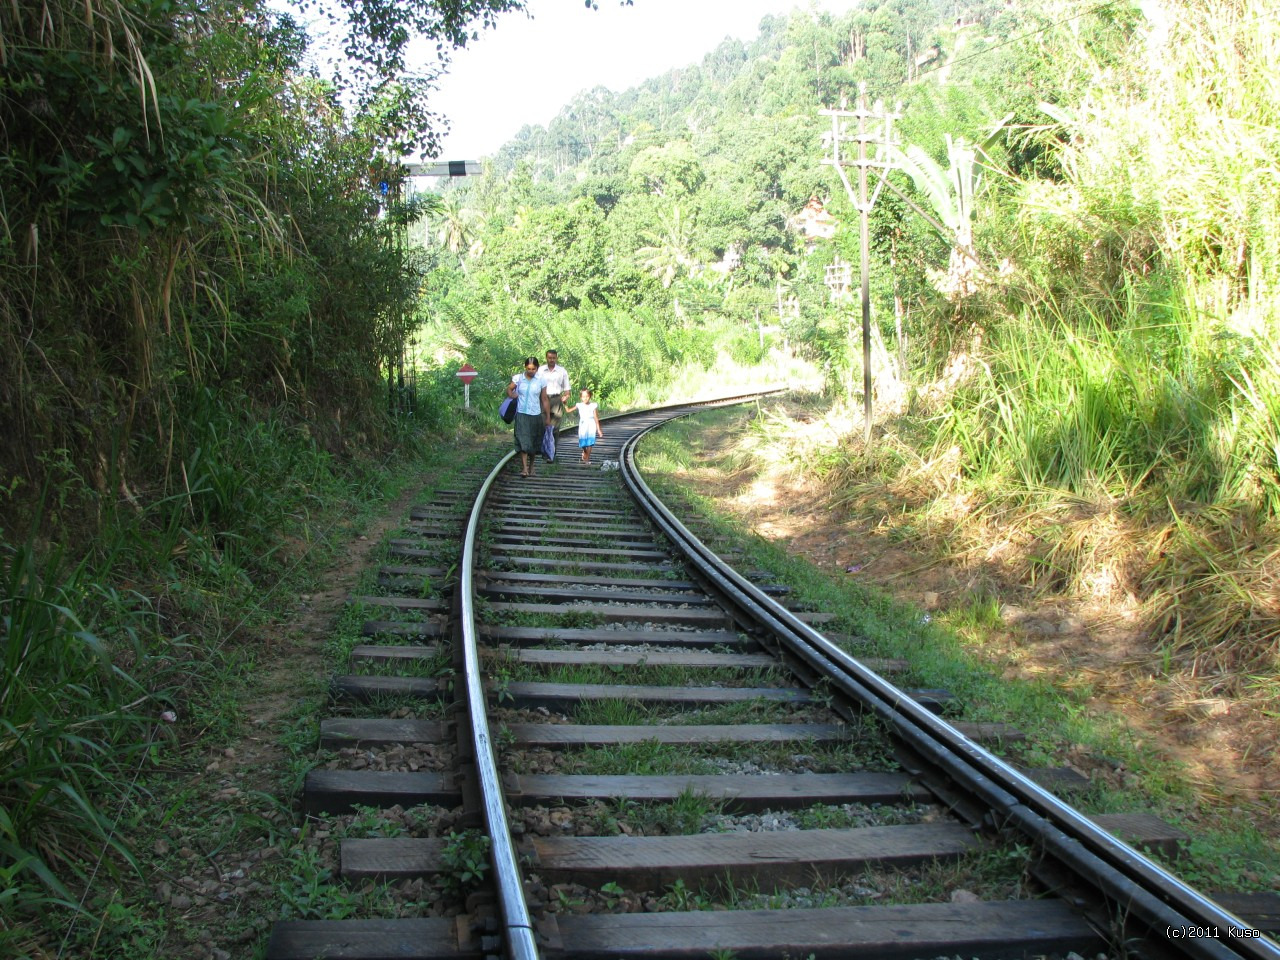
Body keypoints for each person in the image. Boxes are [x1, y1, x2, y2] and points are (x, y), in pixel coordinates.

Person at [507, 356, 551, 478]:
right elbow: (509, 389)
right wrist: (512, 395)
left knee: (534, 441)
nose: (531, 371)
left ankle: (532, 466)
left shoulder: (541, 380)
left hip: (535, 414)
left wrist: (547, 416)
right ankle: (525, 468)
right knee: (523, 440)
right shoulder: (518, 378)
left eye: (533, 369)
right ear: (525, 367)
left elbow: (544, 399)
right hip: (522, 414)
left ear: (537, 368)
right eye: (528, 368)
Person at [565, 388, 603, 464]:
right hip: (583, 425)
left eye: (587, 396)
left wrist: (598, 429)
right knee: (582, 442)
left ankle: (587, 460)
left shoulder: (593, 405)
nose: (585, 398)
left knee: (590, 442)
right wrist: (564, 404)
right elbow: (568, 410)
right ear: (581, 397)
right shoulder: (579, 405)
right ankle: (585, 451)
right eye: (583, 397)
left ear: (590, 396)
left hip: (591, 425)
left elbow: (595, 417)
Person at [537, 349, 571, 431]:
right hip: (543, 398)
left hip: (556, 399)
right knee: (542, 424)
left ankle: (554, 443)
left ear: (556, 358)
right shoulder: (540, 370)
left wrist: (566, 397)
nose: (552, 360)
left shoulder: (562, 371)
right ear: (546, 358)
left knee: (555, 426)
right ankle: (542, 443)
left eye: (553, 358)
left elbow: (567, 390)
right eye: (550, 358)